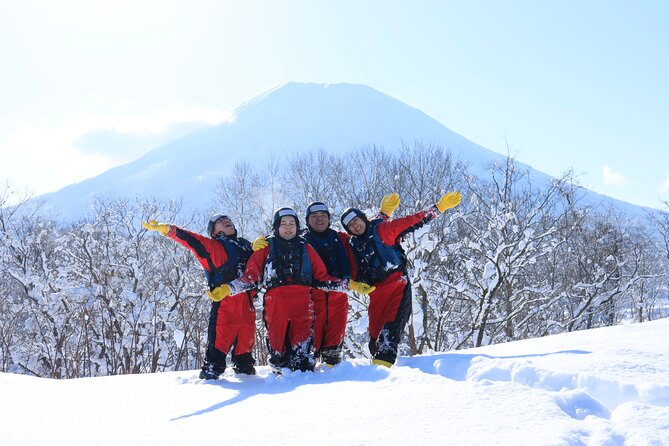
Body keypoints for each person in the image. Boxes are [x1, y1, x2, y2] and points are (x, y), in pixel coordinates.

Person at [208, 207, 375, 373]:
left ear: (297, 227)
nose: (288, 227)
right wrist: (228, 289)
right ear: (276, 227)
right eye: (283, 224)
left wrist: (350, 285)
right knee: (279, 357)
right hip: (276, 305)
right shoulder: (267, 247)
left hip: (303, 305)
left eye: (292, 223)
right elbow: (251, 278)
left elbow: (322, 278)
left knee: (304, 361)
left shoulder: (305, 247)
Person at [340, 191, 462, 368]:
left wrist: (438, 207)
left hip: (397, 284)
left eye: (356, 220)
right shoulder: (353, 245)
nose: (355, 226)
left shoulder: (383, 230)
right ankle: (375, 366)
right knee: (375, 338)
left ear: (363, 218)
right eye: (350, 225)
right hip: (376, 292)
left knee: (390, 332)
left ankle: (383, 371)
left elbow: (412, 221)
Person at [142, 214, 257, 379]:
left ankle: (251, 385)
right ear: (214, 233)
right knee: (216, 357)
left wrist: (263, 245)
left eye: (228, 220)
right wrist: (168, 229)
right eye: (219, 222)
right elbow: (191, 240)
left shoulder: (247, 246)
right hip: (226, 306)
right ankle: (207, 387)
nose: (226, 221)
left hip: (248, 306)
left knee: (245, 360)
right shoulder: (214, 247)